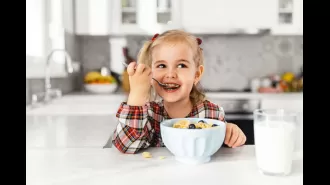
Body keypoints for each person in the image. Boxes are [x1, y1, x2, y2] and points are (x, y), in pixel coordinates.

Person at [112, 30, 246, 154]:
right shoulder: (148, 115)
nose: (170, 74)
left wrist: (231, 133)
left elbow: (225, 151)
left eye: (181, 65)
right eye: (162, 66)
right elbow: (127, 146)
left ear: (196, 74)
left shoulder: (212, 114)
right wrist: (137, 94)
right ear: (150, 75)